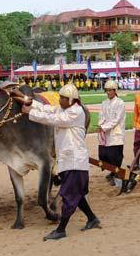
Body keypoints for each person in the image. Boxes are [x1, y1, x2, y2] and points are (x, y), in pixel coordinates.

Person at [21, 84, 100, 241]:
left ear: (71, 100)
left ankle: (61, 229)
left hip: (75, 161)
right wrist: (30, 102)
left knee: (68, 195)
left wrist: (30, 113)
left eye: (62, 98)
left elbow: (53, 119)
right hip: (67, 160)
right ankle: (92, 219)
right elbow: (48, 109)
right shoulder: (64, 109)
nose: (59, 100)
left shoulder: (75, 112)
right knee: (75, 193)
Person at [98, 80, 126, 186]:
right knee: (103, 155)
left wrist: (104, 127)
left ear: (115, 91)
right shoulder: (104, 103)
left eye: (110, 90)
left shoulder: (120, 103)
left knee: (114, 156)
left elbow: (117, 119)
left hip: (116, 134)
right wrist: (101, 124)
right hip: (105, 134)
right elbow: (101, 116)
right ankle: (112, 172)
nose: (108, 92)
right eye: (107, 90)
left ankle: (117, 178)